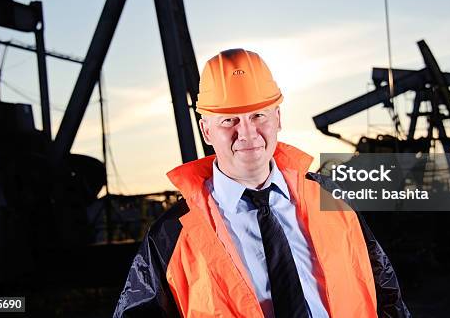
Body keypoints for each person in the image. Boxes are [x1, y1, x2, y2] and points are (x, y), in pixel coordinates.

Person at [114, 49, 410, 317]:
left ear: (277, 118)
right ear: (206, 131)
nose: (247, 133)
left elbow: (386, 294)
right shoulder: (172, 235)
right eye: (229, 121)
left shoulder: (329, 197)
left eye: (258, 116)